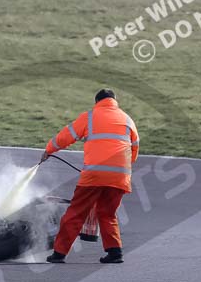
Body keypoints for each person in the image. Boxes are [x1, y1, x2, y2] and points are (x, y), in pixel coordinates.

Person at [41, 89, 139, 264]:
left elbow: (65, 136)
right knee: (108, 213)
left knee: (76, 213)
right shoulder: (127, 119)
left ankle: (59, 253)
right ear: (114, 101)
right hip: (120, 176)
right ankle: (115, 252)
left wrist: (49, 150)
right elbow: (134, 149)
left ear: (97, 102)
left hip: (94, 175)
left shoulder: (90, 116)